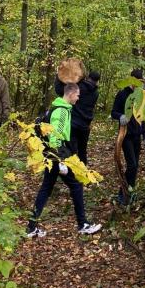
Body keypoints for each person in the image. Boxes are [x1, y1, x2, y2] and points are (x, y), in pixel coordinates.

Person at [27, 83, 102, 238]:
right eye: (77, 95)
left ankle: (31, 227)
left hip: (52, 154)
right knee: (76, 185)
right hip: (57, 154)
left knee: (46, 188)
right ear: (70, 94)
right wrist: (60, 161)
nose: (78, 98)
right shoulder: (61, 110)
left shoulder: (59, 107)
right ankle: (83, 224)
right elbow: (55, 136)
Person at [111, 68, 145, 204]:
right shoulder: (122, 94)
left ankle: (130, 191)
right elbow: (113, 112)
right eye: (136, 81)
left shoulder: (141, 95)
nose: (138, 84)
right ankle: (122, 192)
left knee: (135, 166)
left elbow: (142, 117)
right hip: (126, 135)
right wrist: (120, 116)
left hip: (137, 134)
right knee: (131, 164)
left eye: (141, 82)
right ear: (131, 80)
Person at [54, 70, 100, 164]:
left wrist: (58, 76)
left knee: (72, 149)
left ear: (88, 77)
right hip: (85, 126)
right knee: (82, 151)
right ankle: (83, 170)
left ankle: (71, 170)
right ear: (97, 81)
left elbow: (60, 90)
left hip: (73, 124)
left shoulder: (79, 87)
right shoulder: (96, 93)